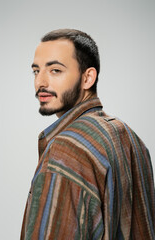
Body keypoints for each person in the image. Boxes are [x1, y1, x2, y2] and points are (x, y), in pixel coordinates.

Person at [20, 29, 155, 240]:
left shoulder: (66, 150)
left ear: (87, 77)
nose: (40, 82)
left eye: (55, 70)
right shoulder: (130, 137)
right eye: (36, 71)